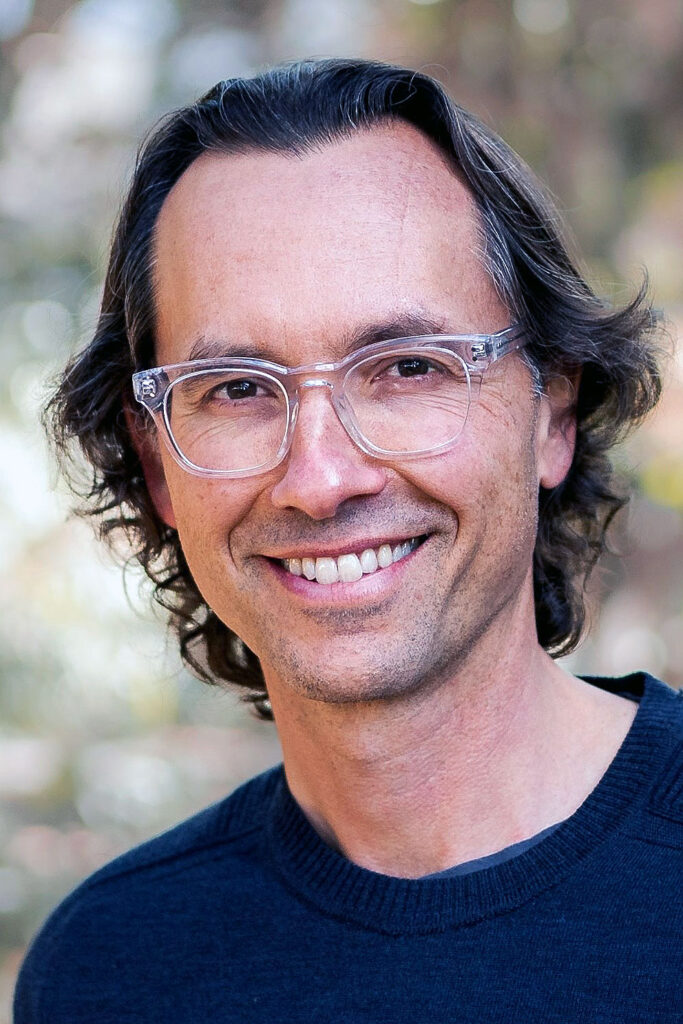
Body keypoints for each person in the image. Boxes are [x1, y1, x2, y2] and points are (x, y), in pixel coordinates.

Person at [14, 58, 682, 1023]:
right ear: (156, 465)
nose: (321, 479)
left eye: (408, 367)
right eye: (238, 389)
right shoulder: (108, 969)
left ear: (553, 413)